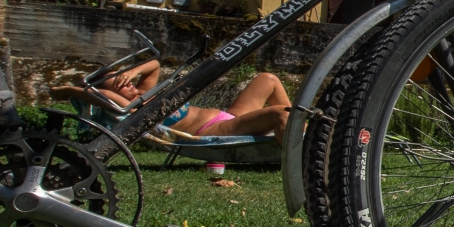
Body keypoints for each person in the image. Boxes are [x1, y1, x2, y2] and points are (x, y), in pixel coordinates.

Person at [51, 59, 291, 137]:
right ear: (112, 93)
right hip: (215, 128)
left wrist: (132, 71)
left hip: (229, 115)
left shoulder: (145, 94)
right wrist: (72, 91)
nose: (128, 84)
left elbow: (154, 64)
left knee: (268, 79)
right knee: (282, 113)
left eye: (126, 79)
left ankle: (300, 131)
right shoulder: (133, 110)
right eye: (119, 83)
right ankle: (301, 155)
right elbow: (101, 96)